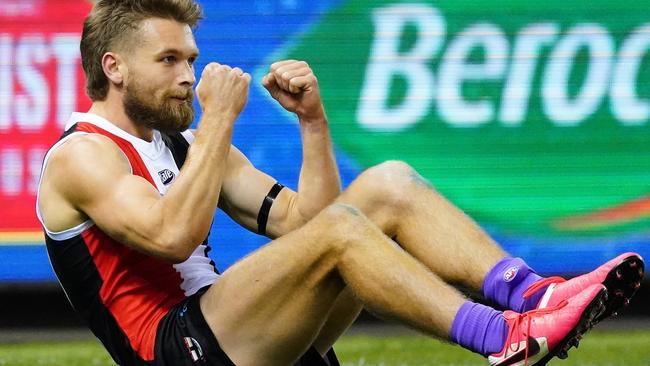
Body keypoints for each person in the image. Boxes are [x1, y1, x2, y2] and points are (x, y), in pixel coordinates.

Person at [36, 1, 645, 365]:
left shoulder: (188, 147)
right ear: (113, 68)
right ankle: (503, 338)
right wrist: (219, 117)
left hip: (239, 337)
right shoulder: (82, 157)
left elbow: (311, 226)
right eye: (169, 60)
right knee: (347, 230)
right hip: (178, 349)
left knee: (387, 185)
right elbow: (170, 237)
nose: (188, 76)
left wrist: (312, 123)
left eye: (191, 59)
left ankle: (537, 298)